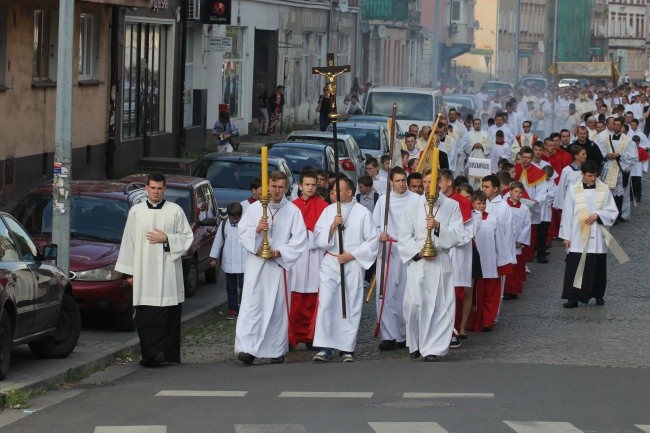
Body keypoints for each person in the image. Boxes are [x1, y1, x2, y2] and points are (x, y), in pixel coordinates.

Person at [115, 171, 194, 367]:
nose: (156, 192)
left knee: (168, 313)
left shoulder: (175, 211)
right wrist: (129, 272)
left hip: (168, 272)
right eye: (153, 188)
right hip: (145, 272)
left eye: (160, 188)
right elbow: (128, 242)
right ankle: (150, 355)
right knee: (146, 315)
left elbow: (187, 237)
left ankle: (167, 354)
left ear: (164, 189)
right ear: (146, 188)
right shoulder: (136, 211)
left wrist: (167, 238)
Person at [235, 171, 307, 365]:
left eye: (281, 187)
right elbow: (242, 233)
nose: (276, 191)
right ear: (267, 187)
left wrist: (280, 251)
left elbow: (300, 240)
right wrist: (257, 230)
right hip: (257, 263)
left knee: (276, 309)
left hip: (278, 266)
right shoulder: (255, 208)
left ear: (286, 188)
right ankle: (248, 349)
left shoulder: (293, 211)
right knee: (252, 307)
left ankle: (275, 350)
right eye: (273, 187)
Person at [397, 169, 465, 361]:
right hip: (418, 261)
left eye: (431, 181)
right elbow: (404, 234)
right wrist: (418, 252)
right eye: (425, 182)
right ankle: (416, 343)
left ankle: (433, 348)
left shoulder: (451, 206)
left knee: (438, 306)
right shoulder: (413, 204)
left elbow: (459, 234)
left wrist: (438, 227)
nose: (427, 185)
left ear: (440, 183)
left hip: (440, 261)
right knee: (415, 304)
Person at [312, 177, 379, 362]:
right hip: (331, 263)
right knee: (326, 303)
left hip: (352, 263)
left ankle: (346, 348)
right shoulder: (328, 211)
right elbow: (318, 238)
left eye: (338, 190)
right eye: (333, 191)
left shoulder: (363, 213)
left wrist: (352, 255)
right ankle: (325, 346)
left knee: (350, 305)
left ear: (349, 192)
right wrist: (333, 226)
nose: (334, 194)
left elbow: (373, 241)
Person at [560, 160, 619, 308]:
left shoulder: (604, 189)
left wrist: (599, 215)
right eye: (589, 176)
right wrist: (566, 236)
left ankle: (597, 295)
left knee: (596, 266)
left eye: (594, 175)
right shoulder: (573, 189)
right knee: (575, 266)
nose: (593, 179)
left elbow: (612, 211)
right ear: (582, 174)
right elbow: (567, 213)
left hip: (597, 235)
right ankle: (573, 297)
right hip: (577, 235)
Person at [372, 167, 414, 350]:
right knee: (386, 294)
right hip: (388, 249)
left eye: (403, 180)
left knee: (405, 294)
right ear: (390, 182)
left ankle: (404, 335)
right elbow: (374, 226)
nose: (401, 184)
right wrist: (379, 236)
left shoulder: (415, 199)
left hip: (407, 251)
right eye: (397, 181)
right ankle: (388, 335)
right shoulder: (383, 201)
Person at [289, 171, 329, 349]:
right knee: (294, 296)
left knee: (313, 296)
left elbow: (328, 233)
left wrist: (312, 236)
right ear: (300, 186)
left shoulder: (323, 206)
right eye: (307, 185)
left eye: (313, 185)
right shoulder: (292, 206)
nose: (311, 188)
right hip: (297, 257)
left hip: (315, 255)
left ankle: (311, 335)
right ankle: (291, 335)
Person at [438, 169, 475, 346]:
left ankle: (455, 329)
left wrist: (448, 236)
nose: (436, 185)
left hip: (457, 253)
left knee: (457, 293)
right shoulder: (434, 201)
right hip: (437, 252)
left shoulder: (462, 202)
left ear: (449, 182)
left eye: (439, 181)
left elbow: (465, 233)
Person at [209, 202, 247, 320]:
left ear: (240, 216)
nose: (234, 220)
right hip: (229, 261)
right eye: (232, 218)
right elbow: (218, 241)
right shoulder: (224, 224)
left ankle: (245, 309)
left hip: (243, 263)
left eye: (236, 218)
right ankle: (233, 309)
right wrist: (214, 257)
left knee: (244, 286)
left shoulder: (246, 224)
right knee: (231, 287)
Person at [503, 182, 531, 300]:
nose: (518, 194)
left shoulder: (524, 209)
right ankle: (504, 289)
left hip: (516, 242)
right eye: (516, 191)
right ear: (510, 192)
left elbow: (527, 226)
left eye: (520, 192)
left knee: (515, 267)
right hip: (504, 240)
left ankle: (513, 290)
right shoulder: (503, 206)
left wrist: (521, 240)